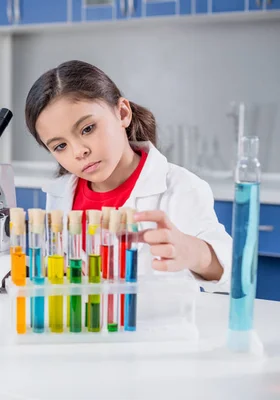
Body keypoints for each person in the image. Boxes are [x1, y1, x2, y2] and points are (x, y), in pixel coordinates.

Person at [24, 60, 231, 291]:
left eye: (87, 129)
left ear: (122, 113)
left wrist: (194, 253)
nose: (79, 152)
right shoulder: (60, 195)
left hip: (155, 325)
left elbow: (234, 274)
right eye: (60, 146)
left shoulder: (181, 187)